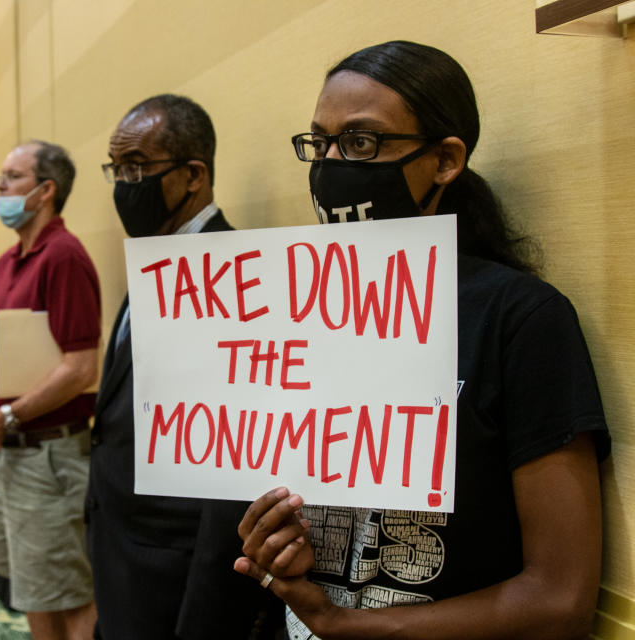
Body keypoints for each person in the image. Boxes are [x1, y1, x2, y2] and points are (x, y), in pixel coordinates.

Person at [234, 41, 611, 640]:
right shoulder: (288, 312)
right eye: (320, 142)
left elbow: (559, 599)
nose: (331, 162)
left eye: (361, 142)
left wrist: (345, 624)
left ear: (445, 160)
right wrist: (281, 548)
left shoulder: (521, 320)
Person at [86, 94, 285, 640]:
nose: (123, 185)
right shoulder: (154, 256)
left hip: (177, 573)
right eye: (116, 169)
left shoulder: (239, 278)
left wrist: (207, 617)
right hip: (121, 549)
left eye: (136, 168)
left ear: (192, 175)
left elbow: (236, 470)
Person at [0, 140, 100, 639]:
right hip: (11, 451)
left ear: (45, 191)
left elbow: (80, 369)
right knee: (31, 588)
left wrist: (5, 418)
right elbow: (8, 366)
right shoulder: (8, 261)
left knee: (72, 593)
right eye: (0, 176)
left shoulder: (63, 255)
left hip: (48, 455)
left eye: (12, 177)